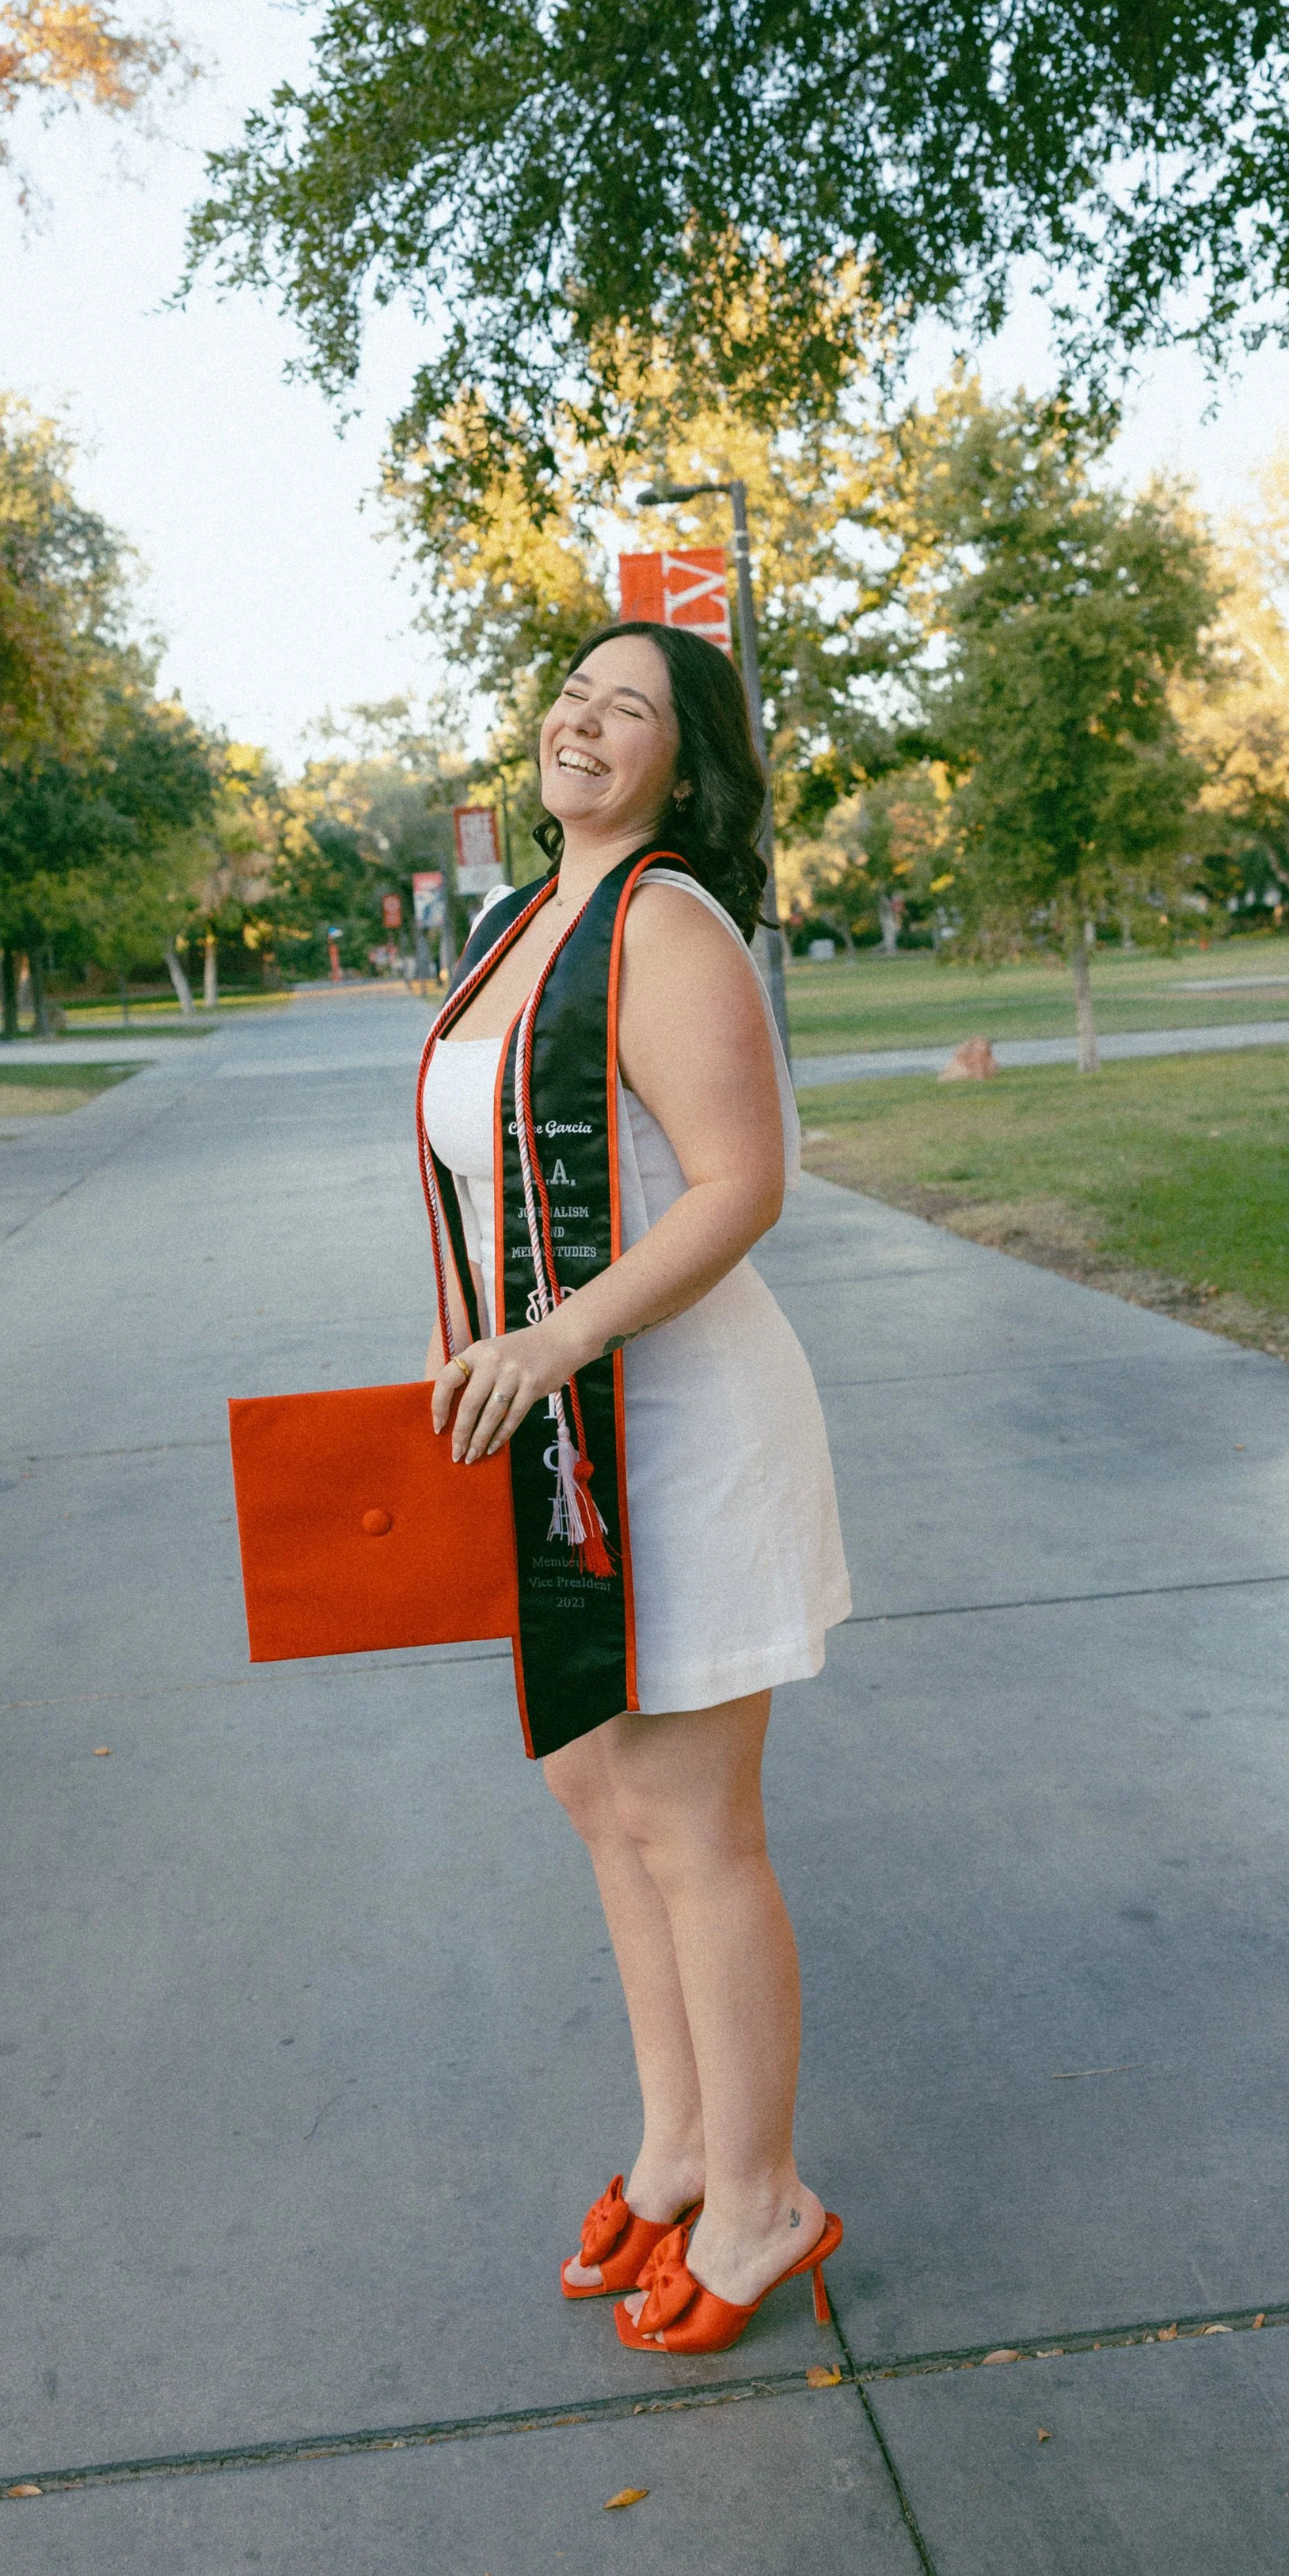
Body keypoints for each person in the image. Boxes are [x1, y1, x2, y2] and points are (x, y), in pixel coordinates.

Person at [416, 621, 851, 2358]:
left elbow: (737, 1186)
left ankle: (766, 2201)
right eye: (574, 691)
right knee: (598, 1801)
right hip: (548, 1428)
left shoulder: (663, 926)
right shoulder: (521, 923)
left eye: (634, 708)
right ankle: (678, 2143)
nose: (585, 720)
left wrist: (551, 1341)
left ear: (687, 761)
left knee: (693, 1825)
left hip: (671, 1425)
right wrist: (468, 1368)